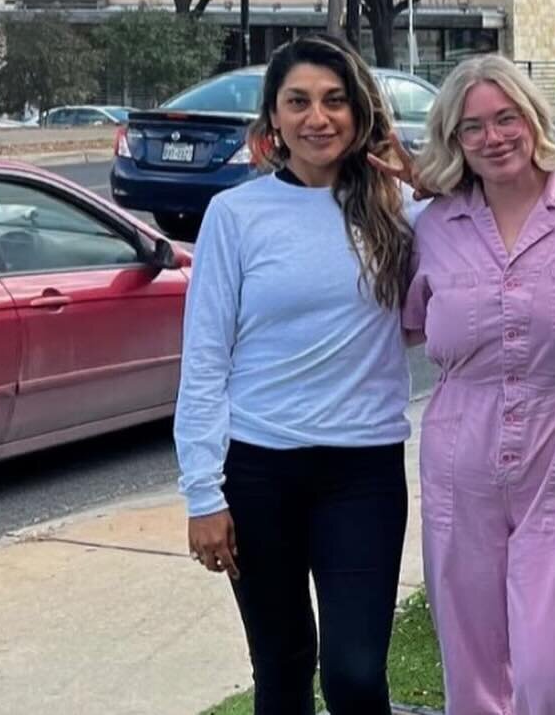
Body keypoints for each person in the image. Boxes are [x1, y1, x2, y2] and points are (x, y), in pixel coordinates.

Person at [176, 35, 416, 715]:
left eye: (336, 100)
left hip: (363, 471)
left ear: (360, 111)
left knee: (356, 672)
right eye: (299, 101)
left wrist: (425, 181)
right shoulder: (236, 214)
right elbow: (204, 361)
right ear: (273, 119)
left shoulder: (399, 211)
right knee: (281, 667)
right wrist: (203, 492)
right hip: (257, 473)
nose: (319, 116)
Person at [401, 54, 555, 715]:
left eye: (506, 117)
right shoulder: (435, 225)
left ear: (534, 119)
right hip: (459, 458)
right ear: (454, 141)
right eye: (472, 127)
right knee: (473, 676)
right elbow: (414, 322)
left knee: (552, 670)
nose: (493, 136)